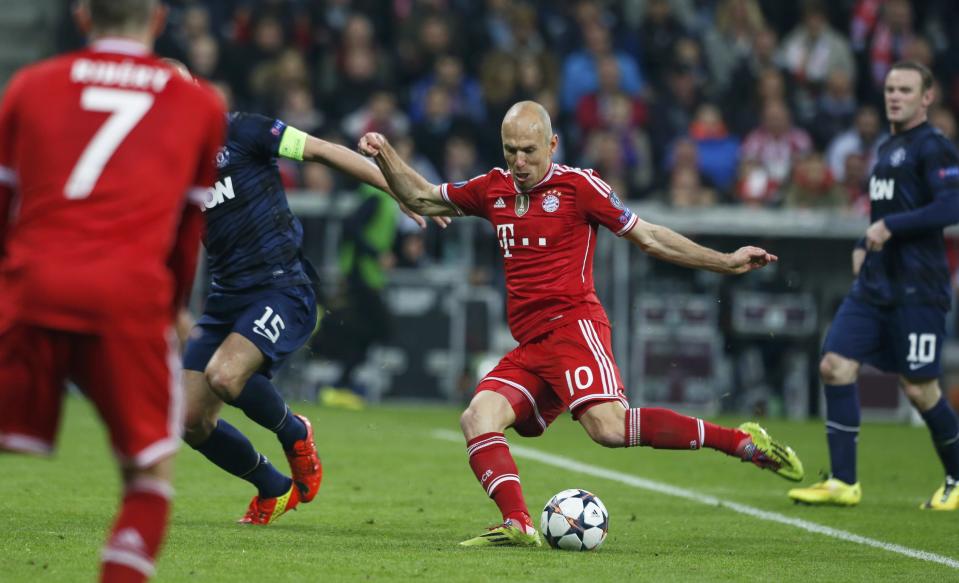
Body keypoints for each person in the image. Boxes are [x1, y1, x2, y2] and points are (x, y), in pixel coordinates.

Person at [358, 100, 804, 547]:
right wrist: (386, 155)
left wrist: (725, 262)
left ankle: (737, 440)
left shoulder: (579, 187)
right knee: (477, 417)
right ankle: (519, 523)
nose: (519, 161)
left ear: (552, 143)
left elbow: (648, 236)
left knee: (608, 429)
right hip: (531, 345)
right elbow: (420, 196)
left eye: (530, 150)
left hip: (574, 328)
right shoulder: (491, 189)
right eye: (510, 150)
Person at [0, 1, 225, 581]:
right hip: (128, 297)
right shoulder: (199, 105)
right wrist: (173, 307)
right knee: (147, 477)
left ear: (81, 17)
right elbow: (184, 232)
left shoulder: (30, 86)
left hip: (32, 286)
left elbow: (5, 207)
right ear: (157, 20)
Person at [180, 108, 444, 525]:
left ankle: (294, 432)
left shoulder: (242, 130)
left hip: (280, 286)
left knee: (226, 376)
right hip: (223, 297)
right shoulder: (163, 161)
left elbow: (323, 151)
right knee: (189, 419)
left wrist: (398, 190)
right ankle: (272, 485)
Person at [788, 61, 959, 510]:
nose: (894, 96)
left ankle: (958, 479)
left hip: (918, 288)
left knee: (920, 390)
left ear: (927, 97)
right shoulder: (887, 148)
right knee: (834, 366)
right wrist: (868, 239)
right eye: (889, 88)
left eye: (905, 89)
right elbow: (886, 215)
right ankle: (844, 482)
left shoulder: (933, 146)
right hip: (875, 285)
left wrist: (887, 227)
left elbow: (951, 206)